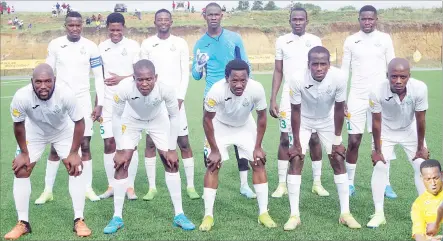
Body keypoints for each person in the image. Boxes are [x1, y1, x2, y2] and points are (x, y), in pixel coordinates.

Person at [104, 59, 195, 233]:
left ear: (156, 77)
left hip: (158, 121)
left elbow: (174, 117)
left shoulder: (166, 90)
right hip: (131, 121)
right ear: (133, 78)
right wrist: (120, 149)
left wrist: (171, 149)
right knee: (122, 163)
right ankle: (117, 217)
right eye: (140, 79)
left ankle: (179, 215)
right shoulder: (124, 89)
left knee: (171, 162)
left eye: (149, 79)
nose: (144, 83)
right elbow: (116, 117)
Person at [4, 64, 91, 240]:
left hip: (62, 131)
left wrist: (74, 152)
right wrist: (23, 152)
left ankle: (79, 219)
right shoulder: (21, 96)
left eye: (47, 81)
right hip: (34, 132)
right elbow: (19, 125)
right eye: (38, 82)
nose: (43, 86)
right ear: (32, 82)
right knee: (21, 170)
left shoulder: (66, 94)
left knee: (76, 169)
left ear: (54, 81)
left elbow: (80, 123)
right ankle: (23, 223)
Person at [286, 46, 361, 230]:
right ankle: (294, 215)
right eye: (315, 64)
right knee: (296, 158)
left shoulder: (340, 77)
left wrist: (337, 140)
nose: (319, 68)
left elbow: (338, 108)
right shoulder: (296, 78)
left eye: (323, 64)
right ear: (308, 64)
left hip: (327, 120)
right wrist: (296, 142)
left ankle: (345, 213)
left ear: (329, 65)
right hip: (303, 120)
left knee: (337, 157)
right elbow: (295, 111)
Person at [199, 59, 277, 231]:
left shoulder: (256, 88)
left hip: (244, 126)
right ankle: (208, 216)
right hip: (220, 126)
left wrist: (258, 146)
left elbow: (262, 117)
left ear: (248, 78)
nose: (239, 84)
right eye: (235, 80)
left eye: (243, 80)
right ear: (227, 78)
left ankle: (263, 213)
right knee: (213, 165)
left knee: (258, 162)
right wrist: (214, 149)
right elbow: (207, 120)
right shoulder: (216, 91)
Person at [37, 11, 104, 204]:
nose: (75, 28)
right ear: (65, 26)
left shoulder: (91, 46)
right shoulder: (55, 45)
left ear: (82, 25)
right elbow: (47, 72)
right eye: (71, 25)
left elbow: (99, 77)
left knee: (85, 145)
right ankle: (48, 190)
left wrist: (99, 104)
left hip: (83, 101)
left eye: (78, 25)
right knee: (55, 147)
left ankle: (87, 188)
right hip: (59, 101)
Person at [192, 2, 256, 199]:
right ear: (205, 16)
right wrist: (199, 65)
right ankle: (210, 187)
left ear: (221, 16)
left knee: (241, 139)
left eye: (216, 14)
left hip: (235, 94)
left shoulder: (234, 38)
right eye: (209, 14)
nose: (213, 17)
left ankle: (244, 184)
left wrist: (247, 90)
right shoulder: (200, 43)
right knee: (209, 142)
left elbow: (246, 66)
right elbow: (195, 75)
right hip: (212, 98)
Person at [140, 9, 199, 200]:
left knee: (183, 142)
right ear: (155, 22)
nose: (163, 22)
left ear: (171, 22)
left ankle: (190, 186)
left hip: (176, 101)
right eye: (160, 20)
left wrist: (180, 97)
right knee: (150, 143)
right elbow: (143, 74)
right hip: (154, 102)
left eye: (166, 19)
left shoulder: (180, 43)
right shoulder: (148, 44)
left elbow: (185, 72)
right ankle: (152, 187)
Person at [269, 7, 327, 198]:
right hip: (288, 93)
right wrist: (273, 98)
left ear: (307, 21)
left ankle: (317, 182)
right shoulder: (282, 41)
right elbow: (278, 71)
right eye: (295, 19)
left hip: (312, 94)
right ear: (290, 21)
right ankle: (281, 184)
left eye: (301, 19)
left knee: (314, 137)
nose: (298, 22)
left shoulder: (315, 41)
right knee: (285, 137)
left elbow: (321, 69)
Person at [367, 58, 430, 228]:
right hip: (385, 131)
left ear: (409, 76)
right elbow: (376, 122)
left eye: (403, 77)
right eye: (394, 76)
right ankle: (379, 213)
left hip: (410, 129)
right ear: (388, 76)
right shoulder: (376, 90)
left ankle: (425, 212)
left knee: (421, 165)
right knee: (380, 166)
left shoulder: (420, 88)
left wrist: (420, 148)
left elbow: (421, 119)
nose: (398, 81)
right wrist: (377, 150)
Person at [341, 5, 396, 198]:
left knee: (380, 141)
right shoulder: (350, 41)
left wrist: (392, 96)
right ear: (359, 19)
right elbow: (343, 71)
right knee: (354, 140)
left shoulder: (384, 39)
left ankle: (386, 183)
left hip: (379, 98)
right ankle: (349, 183)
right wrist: (342, 98)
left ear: (376, 19)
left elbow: (392, 68)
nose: (367, 22)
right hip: (356, 96)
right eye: (363, 19)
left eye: (370, 19)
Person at [97, 12, 141, 200]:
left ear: (124, 28)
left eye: (118, 29)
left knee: (130, 145)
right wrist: (97, 102)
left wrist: (121, 79)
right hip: (107, 103)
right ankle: (112, 185)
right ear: (107, 28)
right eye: (112, 29)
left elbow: (140, 74)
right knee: (109, 144)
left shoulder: (133, 46)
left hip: (129, 103)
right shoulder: (101, 47)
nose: (115, 33)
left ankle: (130, 186)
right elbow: (99, 77)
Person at [411, 159, 443, 241]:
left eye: (435, 178)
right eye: (428, 179)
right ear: (422, 178)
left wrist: (436, 224)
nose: (433, 183)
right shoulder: (418, 204)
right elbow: (419, 234)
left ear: (442, 175)